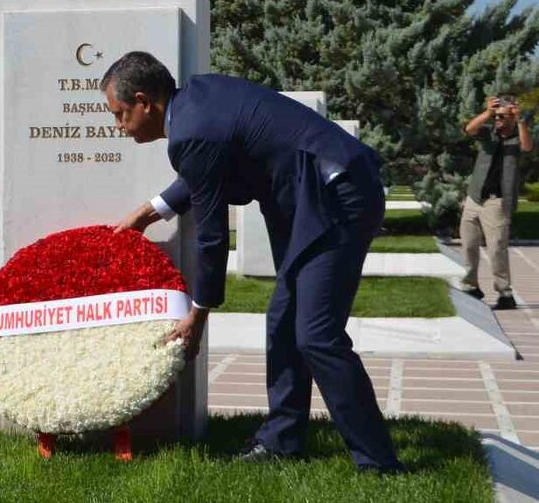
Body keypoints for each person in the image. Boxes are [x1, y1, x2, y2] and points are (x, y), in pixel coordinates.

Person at [107, 51, 403, 473]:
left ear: (144, 101)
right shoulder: (197, 101)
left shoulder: (190, 131)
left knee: (317, 335)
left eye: (119, 115)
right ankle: (283, 439)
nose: (119, 126)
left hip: (335, 198)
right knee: (283, 319)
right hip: (316, 194)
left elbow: (212, 238)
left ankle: (378, 461)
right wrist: (148, 213)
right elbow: (204, 171)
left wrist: (198, 314)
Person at [460, 97, 534, 310]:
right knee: (468, 245)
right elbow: (470, 129)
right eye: (496, 116)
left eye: (502, 116)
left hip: (497, 202)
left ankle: (505, 294)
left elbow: (528, 147)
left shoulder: (517, 139)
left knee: (496, 249)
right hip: (474, 198)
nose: (498, 120)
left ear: (512, 116)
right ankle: (470, 286)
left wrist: (520, 121)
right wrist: (487, 113)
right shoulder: (488, 134)